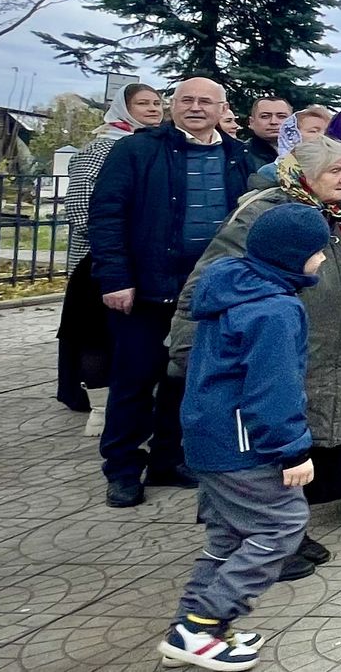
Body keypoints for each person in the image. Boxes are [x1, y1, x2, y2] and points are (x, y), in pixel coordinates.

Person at [168, 136, 341, 577]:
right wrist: (187, 353)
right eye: (336, 170)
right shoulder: (267, 214)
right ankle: (257, 544)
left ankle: (287, 534)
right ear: (307, 174)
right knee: (266, 446)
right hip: (263, 353)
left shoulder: (328, 214)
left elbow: (334, 267)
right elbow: (209, 283)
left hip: (314, 348)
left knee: (302, 435)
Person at [160, 203, 331, 672]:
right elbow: (273, 386)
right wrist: (293, 448)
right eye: (318, 251)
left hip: (208, 436)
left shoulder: (233, 285)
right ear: (292, 255)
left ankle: (189, 632)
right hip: (245, 444)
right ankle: (202, 624)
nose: (322, 258)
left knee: (227, 537)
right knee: (281, 526)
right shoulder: (274, 309)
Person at [88, 76, 257, 508]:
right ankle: (123, 468)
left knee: (185, 379)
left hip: (211, 291)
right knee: (135, 380)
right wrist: (115, 278)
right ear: (172, 105)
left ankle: (168, 458)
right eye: (186, 100)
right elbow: (106, 215)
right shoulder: (137, 150)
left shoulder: (239, 156)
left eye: (206, 101)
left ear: (223, 109)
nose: (196, 107)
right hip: (148, 289)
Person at [57, 81, 164, 418]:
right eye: (143, 103)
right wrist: (118, 241)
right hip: (96, 261)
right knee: (95, 333)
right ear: (124, 107)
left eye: (157, 103)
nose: (153, 109)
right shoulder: (101, 147)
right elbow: (79, 207)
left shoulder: (154, 146)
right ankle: (97, 406)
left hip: (138, 260)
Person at [240, 97, 292, 169]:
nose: (273, 122)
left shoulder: (306, 152)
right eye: (265, 116)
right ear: (251, 122)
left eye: (281, 116)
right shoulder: (239, 156)